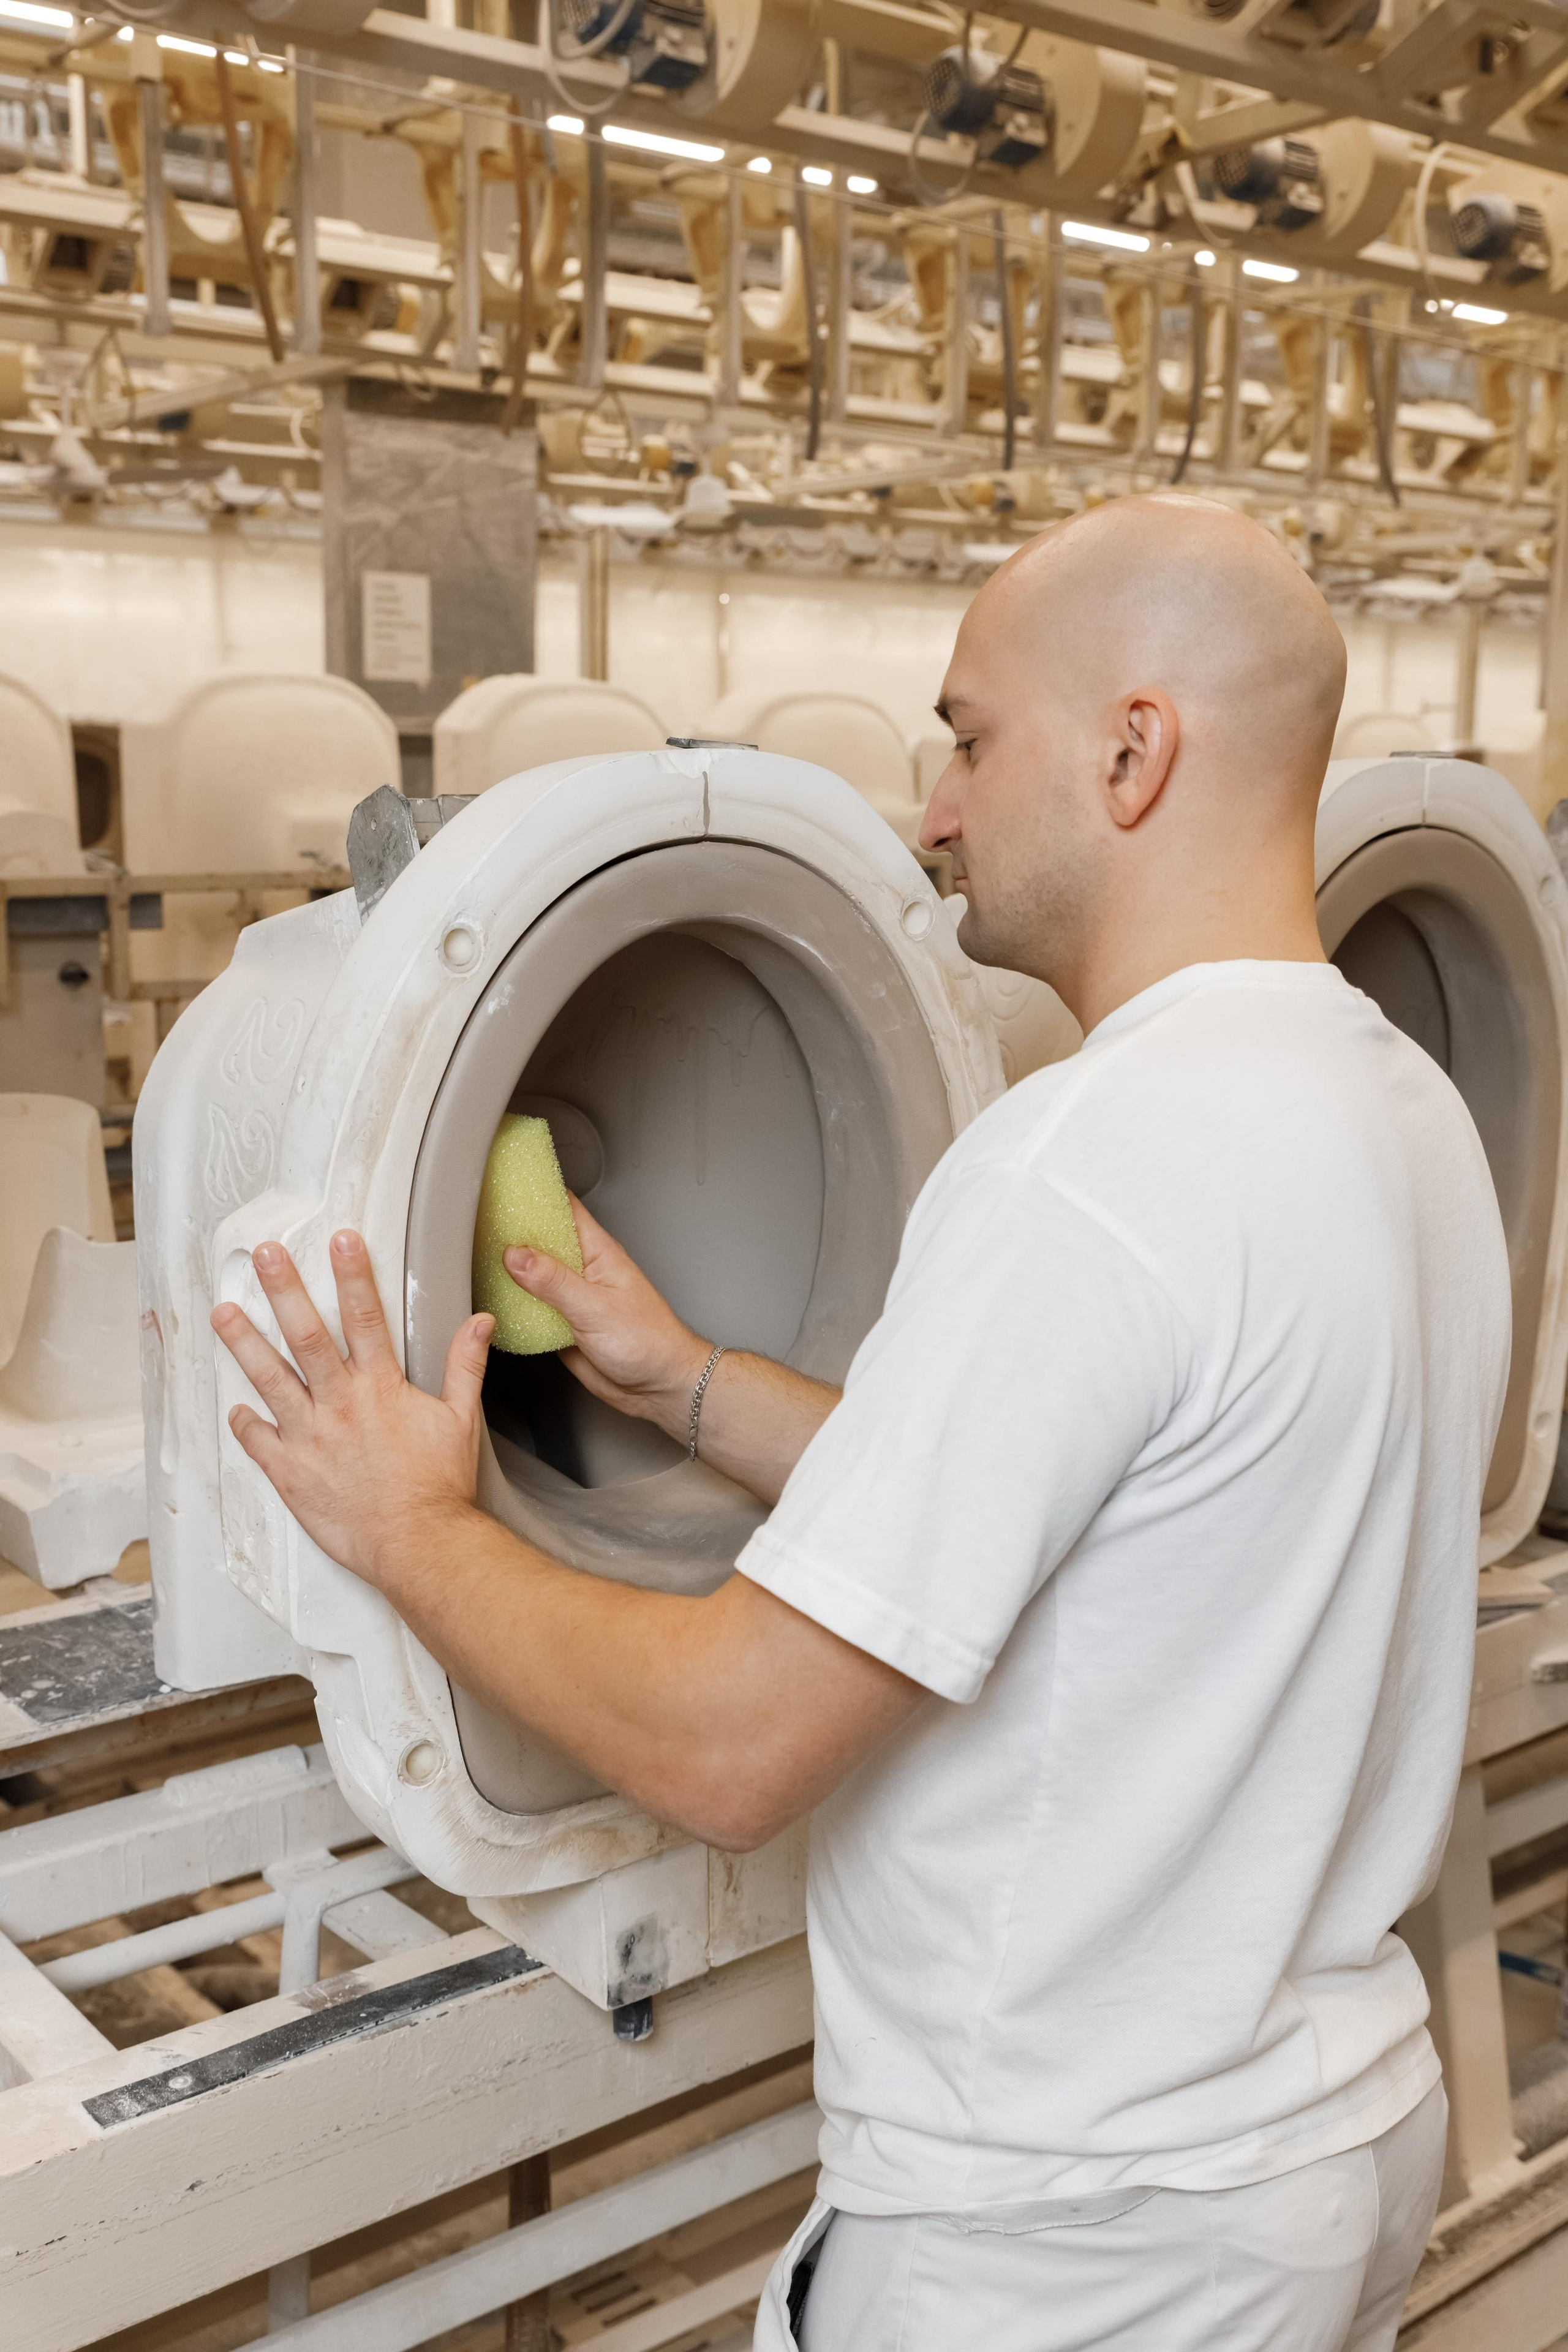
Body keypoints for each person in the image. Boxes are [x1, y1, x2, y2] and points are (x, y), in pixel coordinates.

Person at [212, 494, 1510, 2352]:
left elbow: (735, 1744)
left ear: (1133, 751)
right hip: (1323, 2150)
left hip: (1075, 2238)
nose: (936, 810)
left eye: (969, 739)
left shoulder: (1092, 1158)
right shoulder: (1396, 1107)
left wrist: (408, 1525)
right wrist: (688, 1381)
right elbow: (1122, 1533)